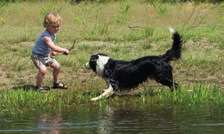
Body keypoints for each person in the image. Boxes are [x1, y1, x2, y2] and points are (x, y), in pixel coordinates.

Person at [31, 12, 69, 90]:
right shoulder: (46, 36)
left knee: (57, 66)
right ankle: (38, 86)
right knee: (43, 70)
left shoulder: (52, 34)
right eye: (53, 27)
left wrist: (51, 51)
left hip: (45, 55)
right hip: (37, 56)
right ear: (47, 26)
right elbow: (54, 47)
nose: (56, 29)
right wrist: (64, 50)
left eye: (58, 26)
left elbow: (51, 45)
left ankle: (56, 83)